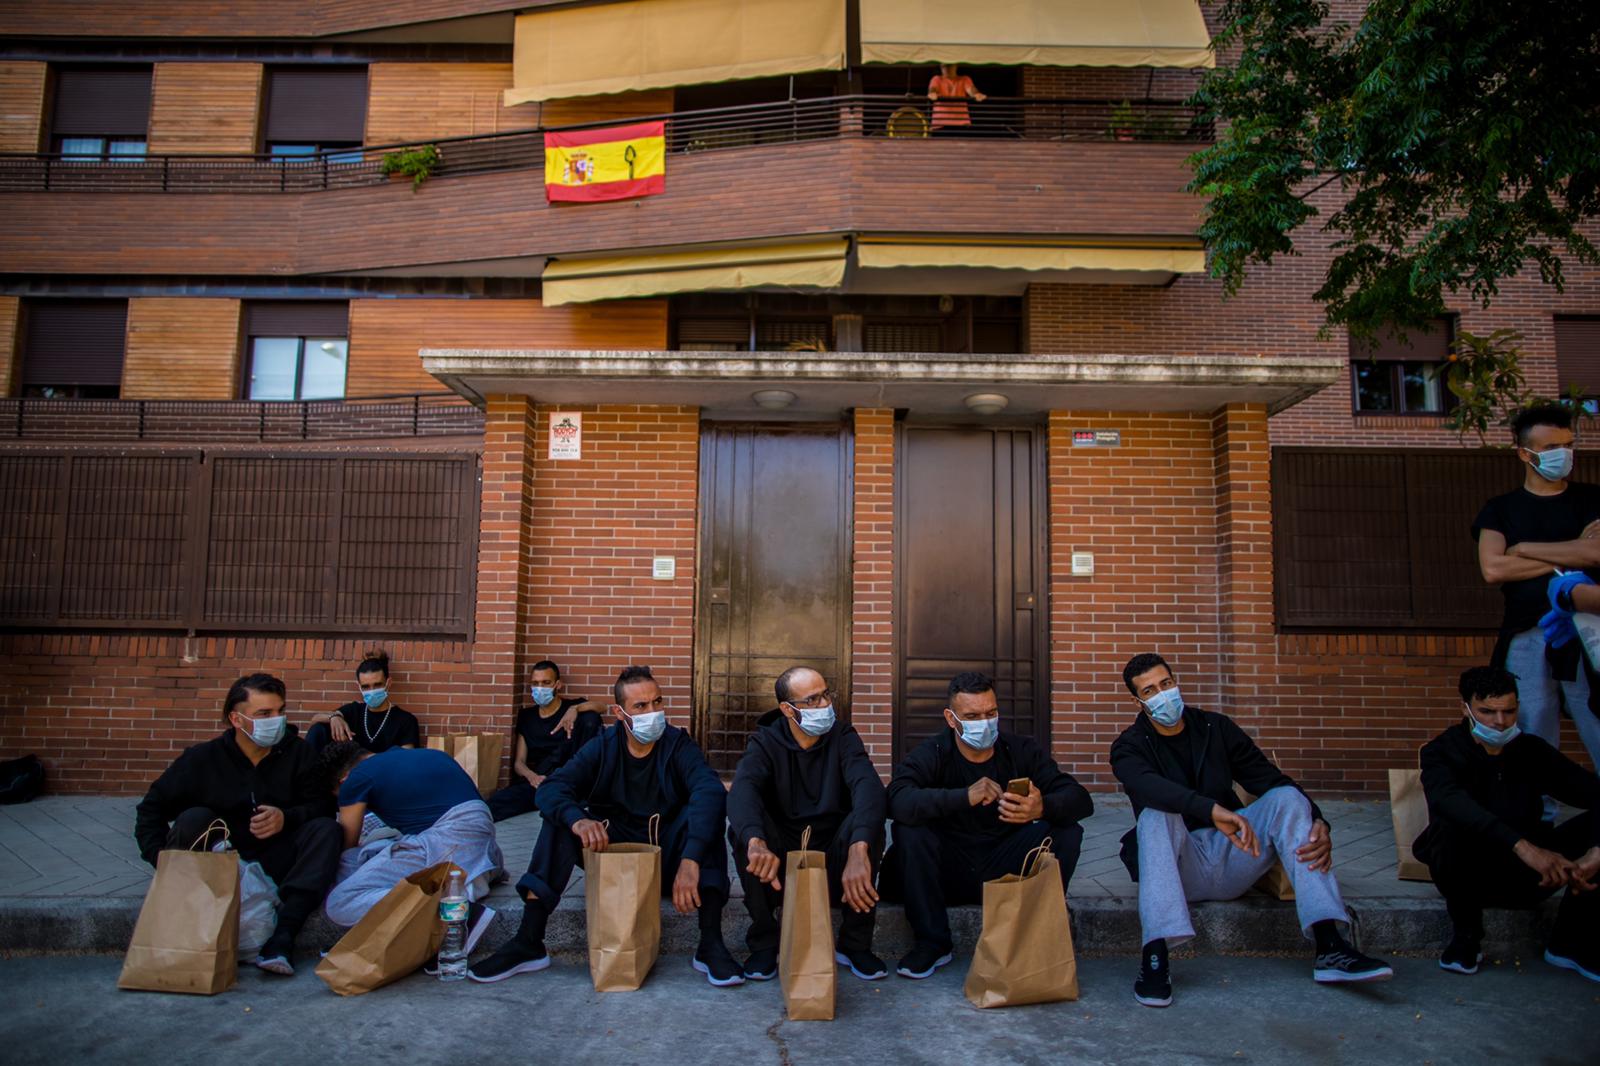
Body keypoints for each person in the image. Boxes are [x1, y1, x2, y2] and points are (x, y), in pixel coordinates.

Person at [1109, 652, 1391, 1008]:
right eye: (1150, 691)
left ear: (1176, 682)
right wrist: (1211, 810)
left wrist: (1318, 818)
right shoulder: (1128, 747)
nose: (1162, 694)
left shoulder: (1216, 728)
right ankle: (1155, 960)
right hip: (1179, 868)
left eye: (1166, 684)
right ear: (1138, 701)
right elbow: (1148, 786)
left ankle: (1331, 948)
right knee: (1154, 815)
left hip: (1236, 853)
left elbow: (1269, 779)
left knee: (1287, 798)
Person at [469, 665, 740, 986]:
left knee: (704, 812)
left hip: (668, 863)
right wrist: (578, 819)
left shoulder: (677, 744)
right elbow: (553, 788)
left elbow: (708, 790)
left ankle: (711, 943)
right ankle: (528, 941)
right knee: (558, 822)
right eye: (640, 706)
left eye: (657, 702)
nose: (652, 713)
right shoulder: (603, 745)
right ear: (619, 712)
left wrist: (691, 858)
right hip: (614, 860)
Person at [884, 671, 1093, 979]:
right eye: (972, 715)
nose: (984, 722)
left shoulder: (1020, 750)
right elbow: (896, 800)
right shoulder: (935, 752)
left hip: (1002, 866)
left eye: (991, 713)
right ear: (951, 718)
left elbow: (1080, 799)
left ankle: (1029, 936)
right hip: (945, 871)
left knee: (1067, 832)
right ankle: (932, 943)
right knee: (909, 830)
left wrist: (1041, 807)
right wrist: (963, 797)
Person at [133, 673, 340, 977]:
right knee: (193, 819)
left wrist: (287, 818)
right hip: (221, 865)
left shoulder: (299, 753)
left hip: (277, 861)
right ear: (236, 718)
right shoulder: (202, 760)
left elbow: (324, 805)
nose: (276, 720)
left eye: (280, 711)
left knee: (327, 830)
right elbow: (151, 810)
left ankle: (282, 936)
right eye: (264, 714)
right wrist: (165, 865)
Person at [1415, 666, 1600, 982]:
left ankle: (1570, 945)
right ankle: (1466, 939)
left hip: (1534, 876)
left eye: (1509, 711)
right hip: (1467, 874)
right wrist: (1525, 847)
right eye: (1487, 711)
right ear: (1466, 708)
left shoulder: (1530, 750)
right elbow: (1451, 803)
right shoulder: (1441, 752)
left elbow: (1591, 792)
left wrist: (1597, 852)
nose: (1500, 722)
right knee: (1450, 824)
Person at [727, 666, 888, 982]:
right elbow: (743, 790)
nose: (825, 705)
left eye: (826, 694)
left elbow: (868, 786)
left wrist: (858, 850)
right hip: (781, 864)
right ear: (788, 710)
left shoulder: (843, 736)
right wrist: (755, 841)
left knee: (867, 826)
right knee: (744, 832)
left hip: (834, 860)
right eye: (812, 700)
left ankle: (855, 944)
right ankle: (764, 943)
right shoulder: (765, 742)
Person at [1473, 403, 1600, 799]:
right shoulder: (1500, 509)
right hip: (1527, 633)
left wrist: (1525, 549)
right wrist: (1573, 548)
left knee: (1595, 717)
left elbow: (1596, 556)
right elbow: (1493, 569)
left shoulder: (1593, 500)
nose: (1563, 455)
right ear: (1525, 453)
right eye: (1550, 447)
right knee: (1531, 728)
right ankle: (1535, 822)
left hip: (1587, 630)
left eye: (1567, 444)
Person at [320, 740, 502, 967]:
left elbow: (347, 844)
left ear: (343, 780)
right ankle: (459, 891)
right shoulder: (430, 755)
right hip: (482, 842)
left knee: (340, 901)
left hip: (446, 838)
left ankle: (457, 911)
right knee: (367, 855)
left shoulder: (356, 780)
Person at [486, 660, 603, 822]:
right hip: (542, 779)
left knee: (589, 718)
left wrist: (575, 709)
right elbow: (519, 762)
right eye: (535, 683)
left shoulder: (572, 706)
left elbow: (601, 706)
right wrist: (532, 777)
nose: (540, 688)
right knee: (498, 803)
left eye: (546, 683)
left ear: (558, 685)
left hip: (571, 777)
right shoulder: (527, 717)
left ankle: (577, 793)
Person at [304, 651, 421, 755]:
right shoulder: (354, 711)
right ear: (359, 686)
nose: (372, 691)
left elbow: (406, 758)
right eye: (366, 687)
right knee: (318, 729)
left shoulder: (405, 720)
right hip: (352, 776)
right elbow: (314, 720)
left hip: (385, 775)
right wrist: (334, 717)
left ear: (388, 683)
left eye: (377, 685)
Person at [926, 63, 986, 133]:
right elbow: (932, 89)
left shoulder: (964, 79)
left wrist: (976, 94)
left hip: (961, 124)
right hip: (940, 124)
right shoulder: (936, 79)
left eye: (950, 65)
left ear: (956, 66)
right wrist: (932, 93)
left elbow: (971, 90)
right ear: (941, 67)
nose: (947, 68)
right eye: (944, 66)